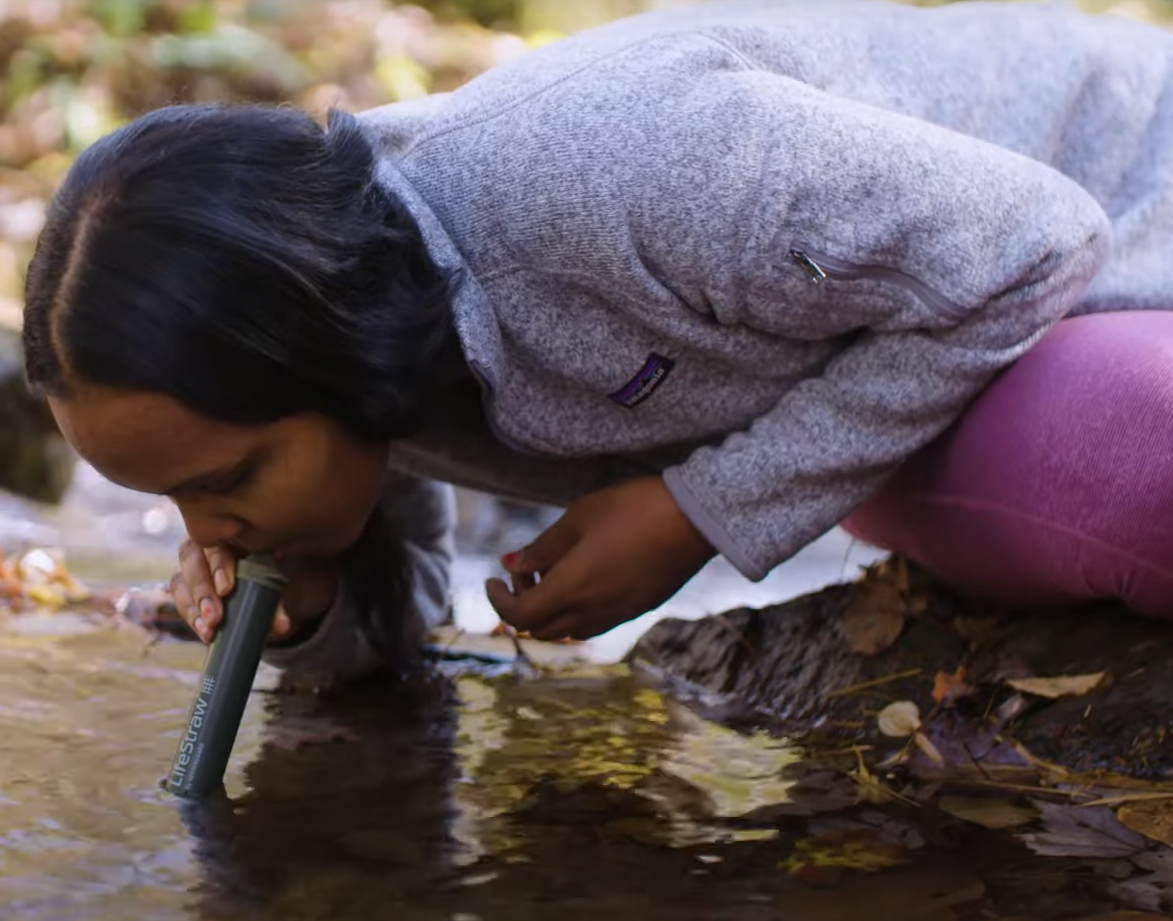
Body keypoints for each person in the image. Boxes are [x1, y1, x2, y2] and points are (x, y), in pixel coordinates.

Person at [22, 0, 1173, 681]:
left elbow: (1032, 241)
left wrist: (699, 513)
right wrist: (308, 604)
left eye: (222, 484)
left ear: (327, 345)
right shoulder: (363, 340)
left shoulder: (636, 169)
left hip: (1117, 220)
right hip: (908, 341)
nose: (203, 531)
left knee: (1141, 460)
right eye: (174, 502)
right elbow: (408, 617)